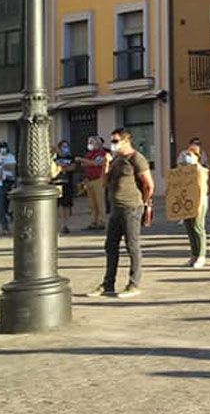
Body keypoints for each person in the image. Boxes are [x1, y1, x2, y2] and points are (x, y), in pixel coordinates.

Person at [87, 128, 153, 299]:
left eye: (116, 141)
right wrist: (106, 164)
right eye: (112, 141)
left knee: (132, 246)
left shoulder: (136, 159)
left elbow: (149, 185)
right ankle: (108, 283)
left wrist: (143, 203)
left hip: (131, 208)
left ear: (126, 141)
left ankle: (134, 283)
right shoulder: (116, 159)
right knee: (110, 246)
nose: (112, 144)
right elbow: (103, 182)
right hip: (115, 209)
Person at [176, 143, 210, 268]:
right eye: (186, 154)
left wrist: (199, 204)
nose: (187, 157)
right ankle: (194, 255)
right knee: (189, 229)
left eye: (190, 154)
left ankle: (201, 255)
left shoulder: (200, 170)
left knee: (198, 228)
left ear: (197, 156)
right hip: (186, 202)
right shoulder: (184, 170)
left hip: (199, 202)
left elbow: (202, 188)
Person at [76, 136, 109, 230]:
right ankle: (93, 221)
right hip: (89, 180)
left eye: (92, 142)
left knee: (100, 202)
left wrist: (83, 160)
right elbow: (85, 164)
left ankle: (101, 221)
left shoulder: (102, 153)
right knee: (92, 203)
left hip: (98, 179)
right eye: (89, 142)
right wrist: (87, 162)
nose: (90, 144)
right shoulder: (89, 154)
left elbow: (96, 163)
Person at [53, 140, 77, 234]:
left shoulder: (71, 157)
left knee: (66, 205)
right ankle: (56, 225)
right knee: (56, 206)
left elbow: (72, 167)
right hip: (56, 184)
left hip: (67, 184)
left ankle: (65, 225)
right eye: (63, 146)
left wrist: (61, 167)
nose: (65, 148)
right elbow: (52, 168)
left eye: (66, 146)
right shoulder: (55, 157)